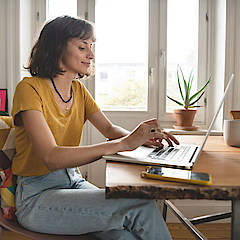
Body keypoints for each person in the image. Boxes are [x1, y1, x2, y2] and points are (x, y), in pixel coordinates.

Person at [12, 15, 179, 240]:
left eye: (91, 47)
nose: (91, 54)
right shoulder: (29, 89)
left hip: (72, 182)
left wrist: (140, 138)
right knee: (140, 205)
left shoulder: (78, 91)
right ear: (58, 47)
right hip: (36, 197)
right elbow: (50, 157)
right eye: (82, 47)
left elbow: (109, 129)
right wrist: (122, 144)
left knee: (125, 236)